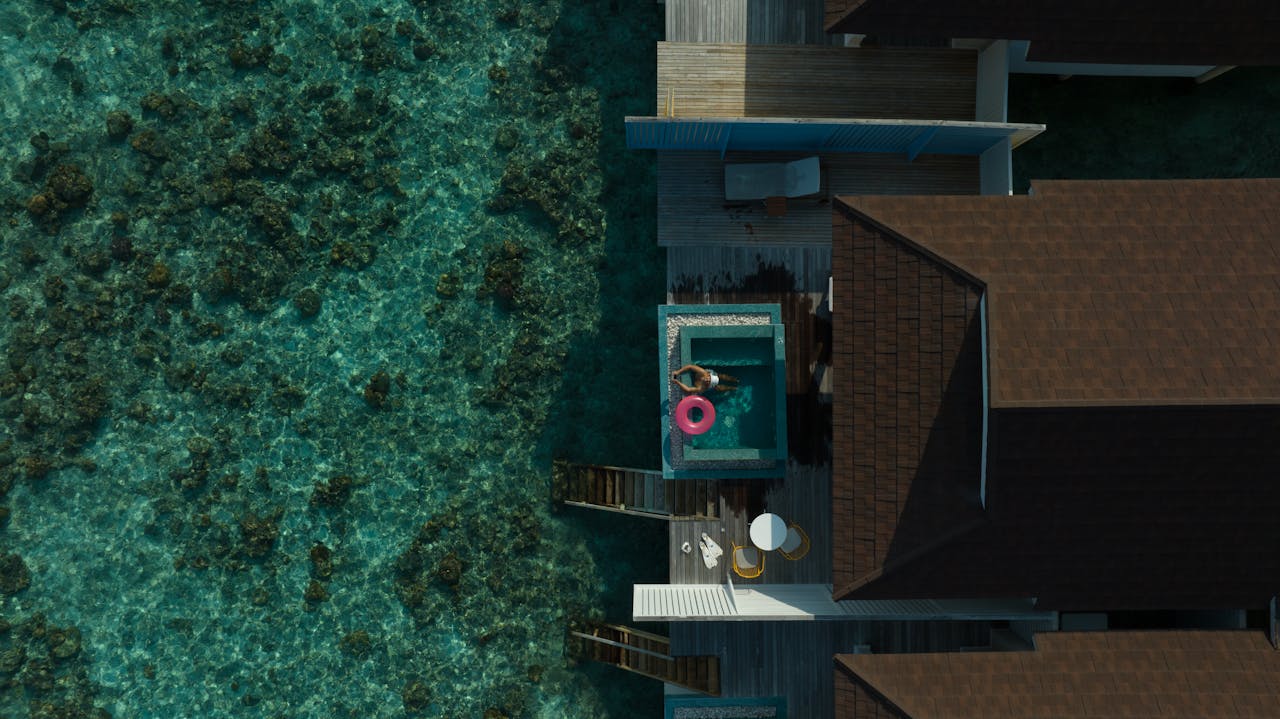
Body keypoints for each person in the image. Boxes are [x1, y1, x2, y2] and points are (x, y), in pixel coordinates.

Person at [670, 364, 739, 394]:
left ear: (708, 385)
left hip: (712, 385)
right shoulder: (703, 372)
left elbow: (688, 390)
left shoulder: (701, 388)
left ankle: (732, 388)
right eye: (709, 378)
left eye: (709, 381)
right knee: (719, 375)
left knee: (718, 388)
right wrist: (678, 372)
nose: (707, 380)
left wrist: (677, 382)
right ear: (709, 375)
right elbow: (690, 367)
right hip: (713, 373)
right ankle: (735, 380)